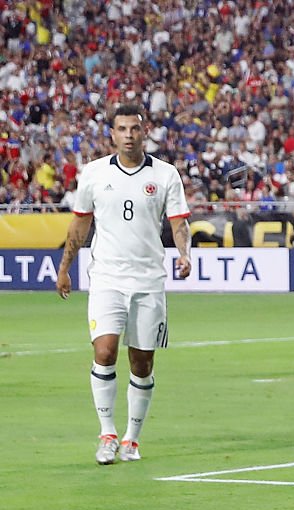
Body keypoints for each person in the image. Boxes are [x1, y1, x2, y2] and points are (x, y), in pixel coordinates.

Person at [56, 104, 192, 465]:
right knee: (104, 352)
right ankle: (107, 434)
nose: (129, 135)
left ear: (143, 132)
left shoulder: (166, 175)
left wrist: (184, 254)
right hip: (107, 278)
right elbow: (80, 224)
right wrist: (66, 266)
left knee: (142, 362)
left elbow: (179, 222)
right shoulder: (95, 173)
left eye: (135, 128)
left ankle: (132, 438)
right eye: (122, 129)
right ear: (112, 134)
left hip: (148, 280)